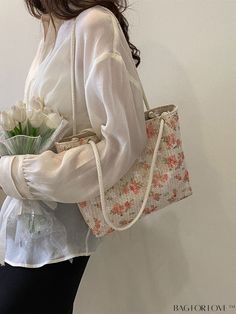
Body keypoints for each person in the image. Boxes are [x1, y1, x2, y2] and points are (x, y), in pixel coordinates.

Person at [0, 1, 147, 313]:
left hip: (62, 234)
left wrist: (19, 173)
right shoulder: (52, 27)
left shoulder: (94, 23)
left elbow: (124, 142)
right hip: (32, 228)